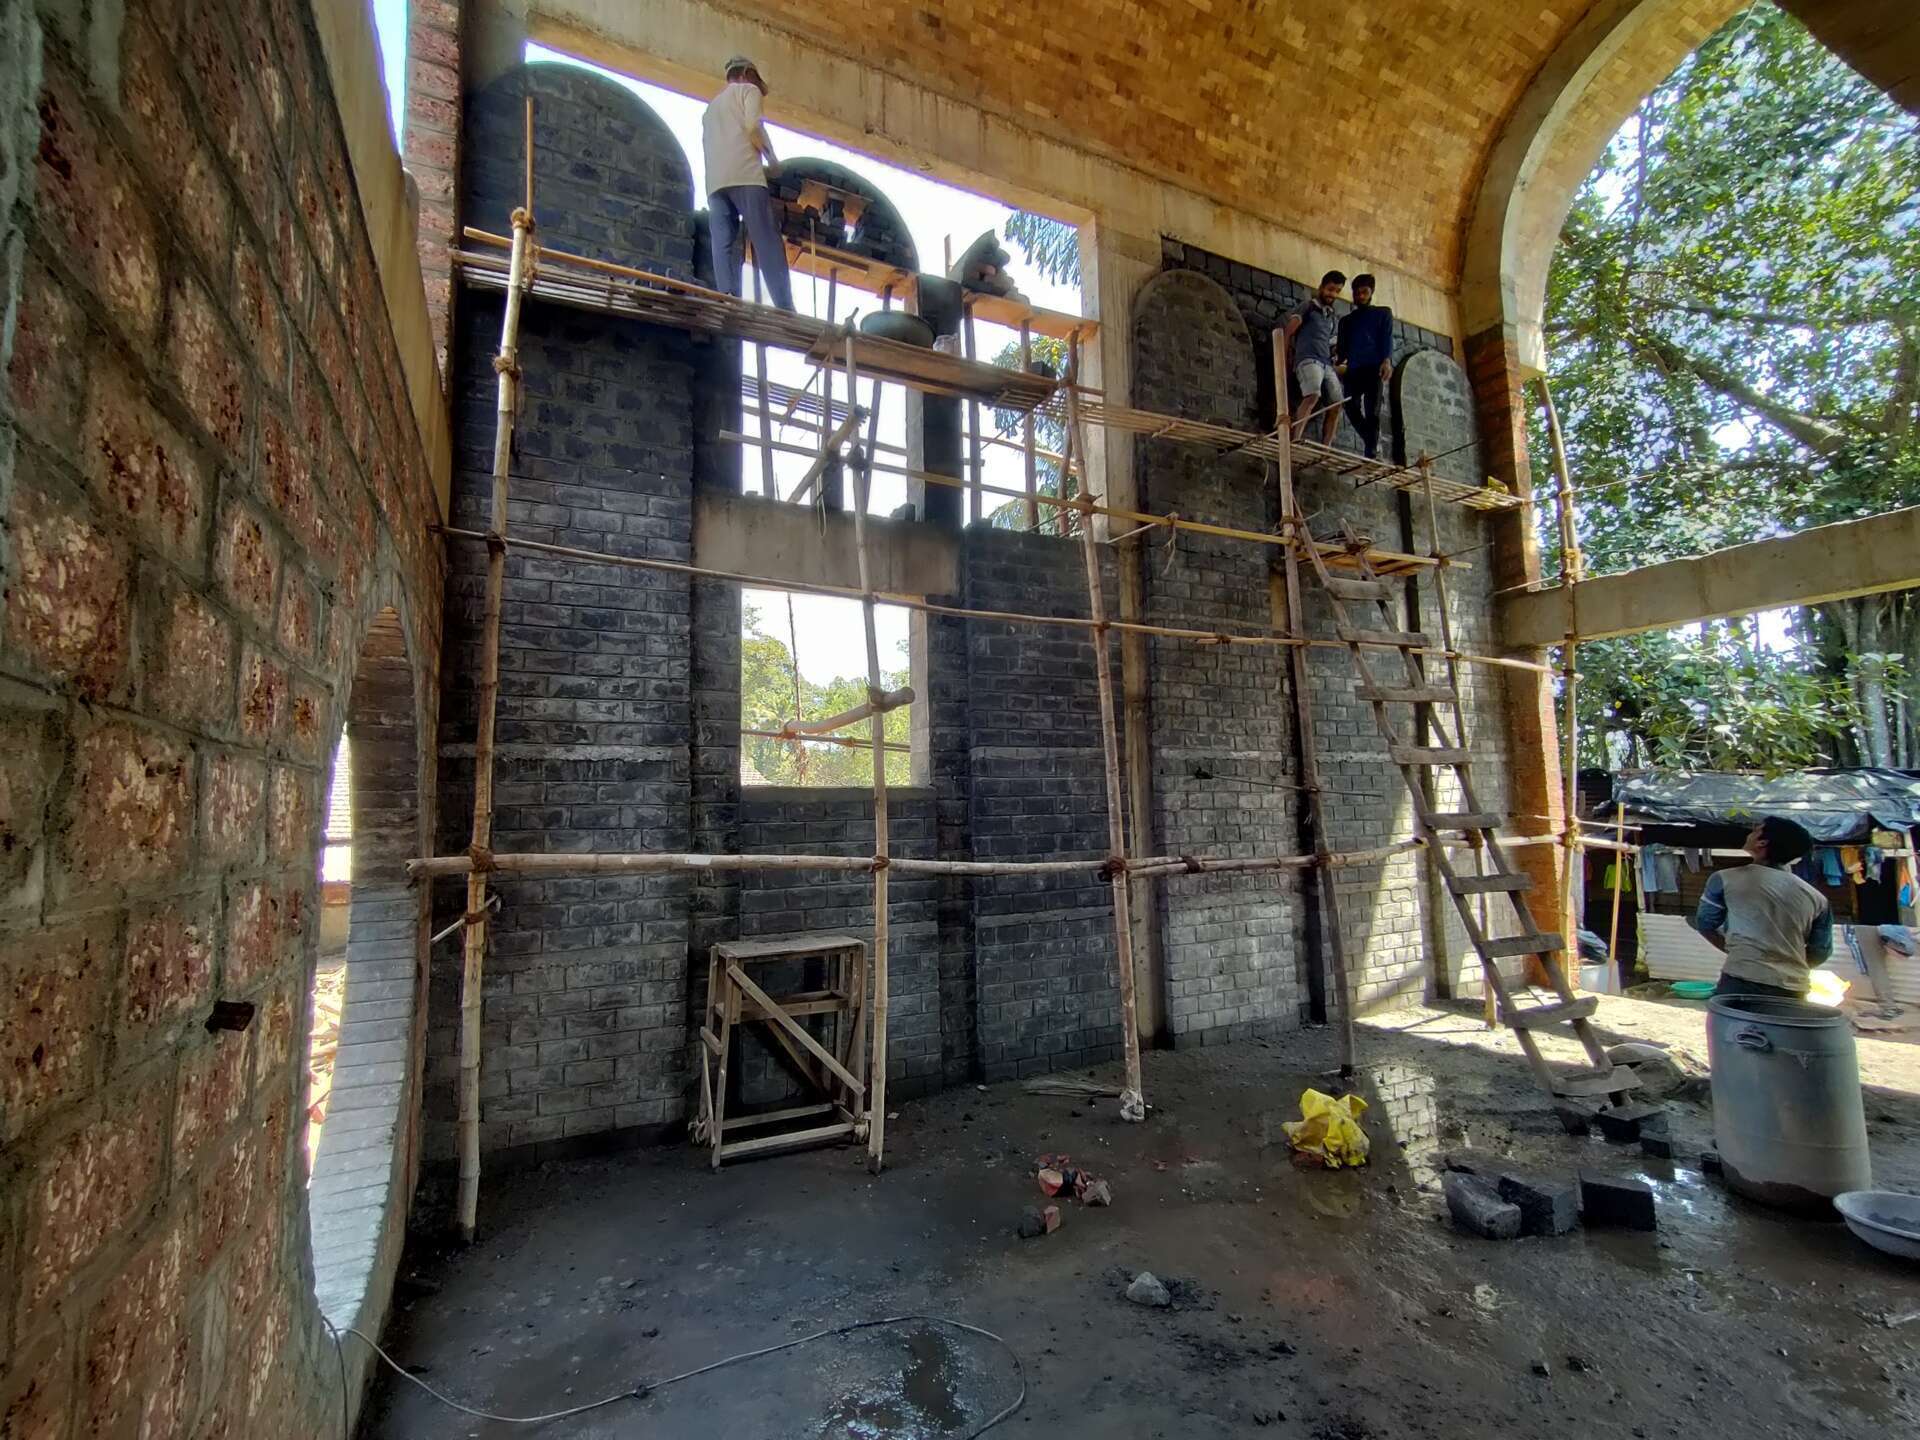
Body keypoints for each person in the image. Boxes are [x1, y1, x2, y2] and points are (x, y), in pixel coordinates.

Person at [1692, 815, 1832, 999]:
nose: (1749, 834)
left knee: (1734, 1027)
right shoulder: (1817, 898)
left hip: (1741, 979)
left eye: (1755, 830)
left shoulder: (1725, 879)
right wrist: (1788, 965)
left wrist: (1742, 953)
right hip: (1793, 987)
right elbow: (1821, 952)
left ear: (1762, 843)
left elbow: (1705, 924)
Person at [702, 55, 793, 311]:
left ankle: (727, 296)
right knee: (766, 240)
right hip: (745, 174)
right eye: (754, 78)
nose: (756, 85)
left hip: (715, 183)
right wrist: (772, 159)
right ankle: (784, 306)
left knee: (723, 243)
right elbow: (753, 127)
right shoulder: (748, 91)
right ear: (745, 75)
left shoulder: (710, 109)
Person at [1283, 270, 1345, 444]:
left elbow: (1330, 343)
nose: (1332, 294)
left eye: (1337, 291)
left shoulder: (1331, 316)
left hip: (1326, 363)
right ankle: (1295, 439)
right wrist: (1286, 358)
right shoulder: (1308, 307)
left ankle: (1327, 447)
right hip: (1308, 359)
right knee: (1312, 396)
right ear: (1321, 287)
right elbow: (1288, 331)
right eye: (1330, 289)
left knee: (1336, 403)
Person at [1336, 273, 1393, 459]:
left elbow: (1386, 338)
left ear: (1371, 292)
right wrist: (1336, 363)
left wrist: (1386, 361)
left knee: (1372, 411)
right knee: (1350, 405)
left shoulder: (1382, 314)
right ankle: (1371, 441)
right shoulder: (1346, 321)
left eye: (1364, 292)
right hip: (1354, 369)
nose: (1360, 296)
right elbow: (1342, 350)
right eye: (1357, 293)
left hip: (1373, 367)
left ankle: (1370, 452)